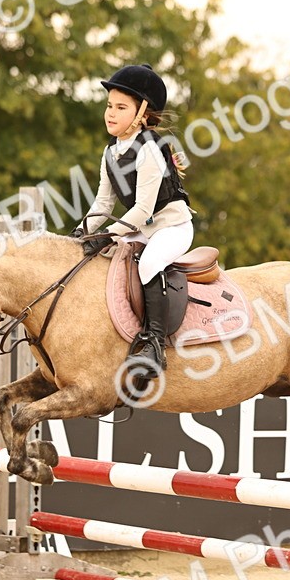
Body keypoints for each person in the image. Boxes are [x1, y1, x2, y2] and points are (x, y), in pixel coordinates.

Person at [71, 64, 194, 379]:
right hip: (141, 229)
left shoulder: (149, 149)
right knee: (104, 263)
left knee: (149, 263)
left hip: (172, 228)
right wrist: (82, 232)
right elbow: (103, 203)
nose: (111, 113)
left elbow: (142, 209)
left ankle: (155, 344)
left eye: (121, 107)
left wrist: (108, 235)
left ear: (141, 113)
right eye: (109, 105)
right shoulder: (110, 151)